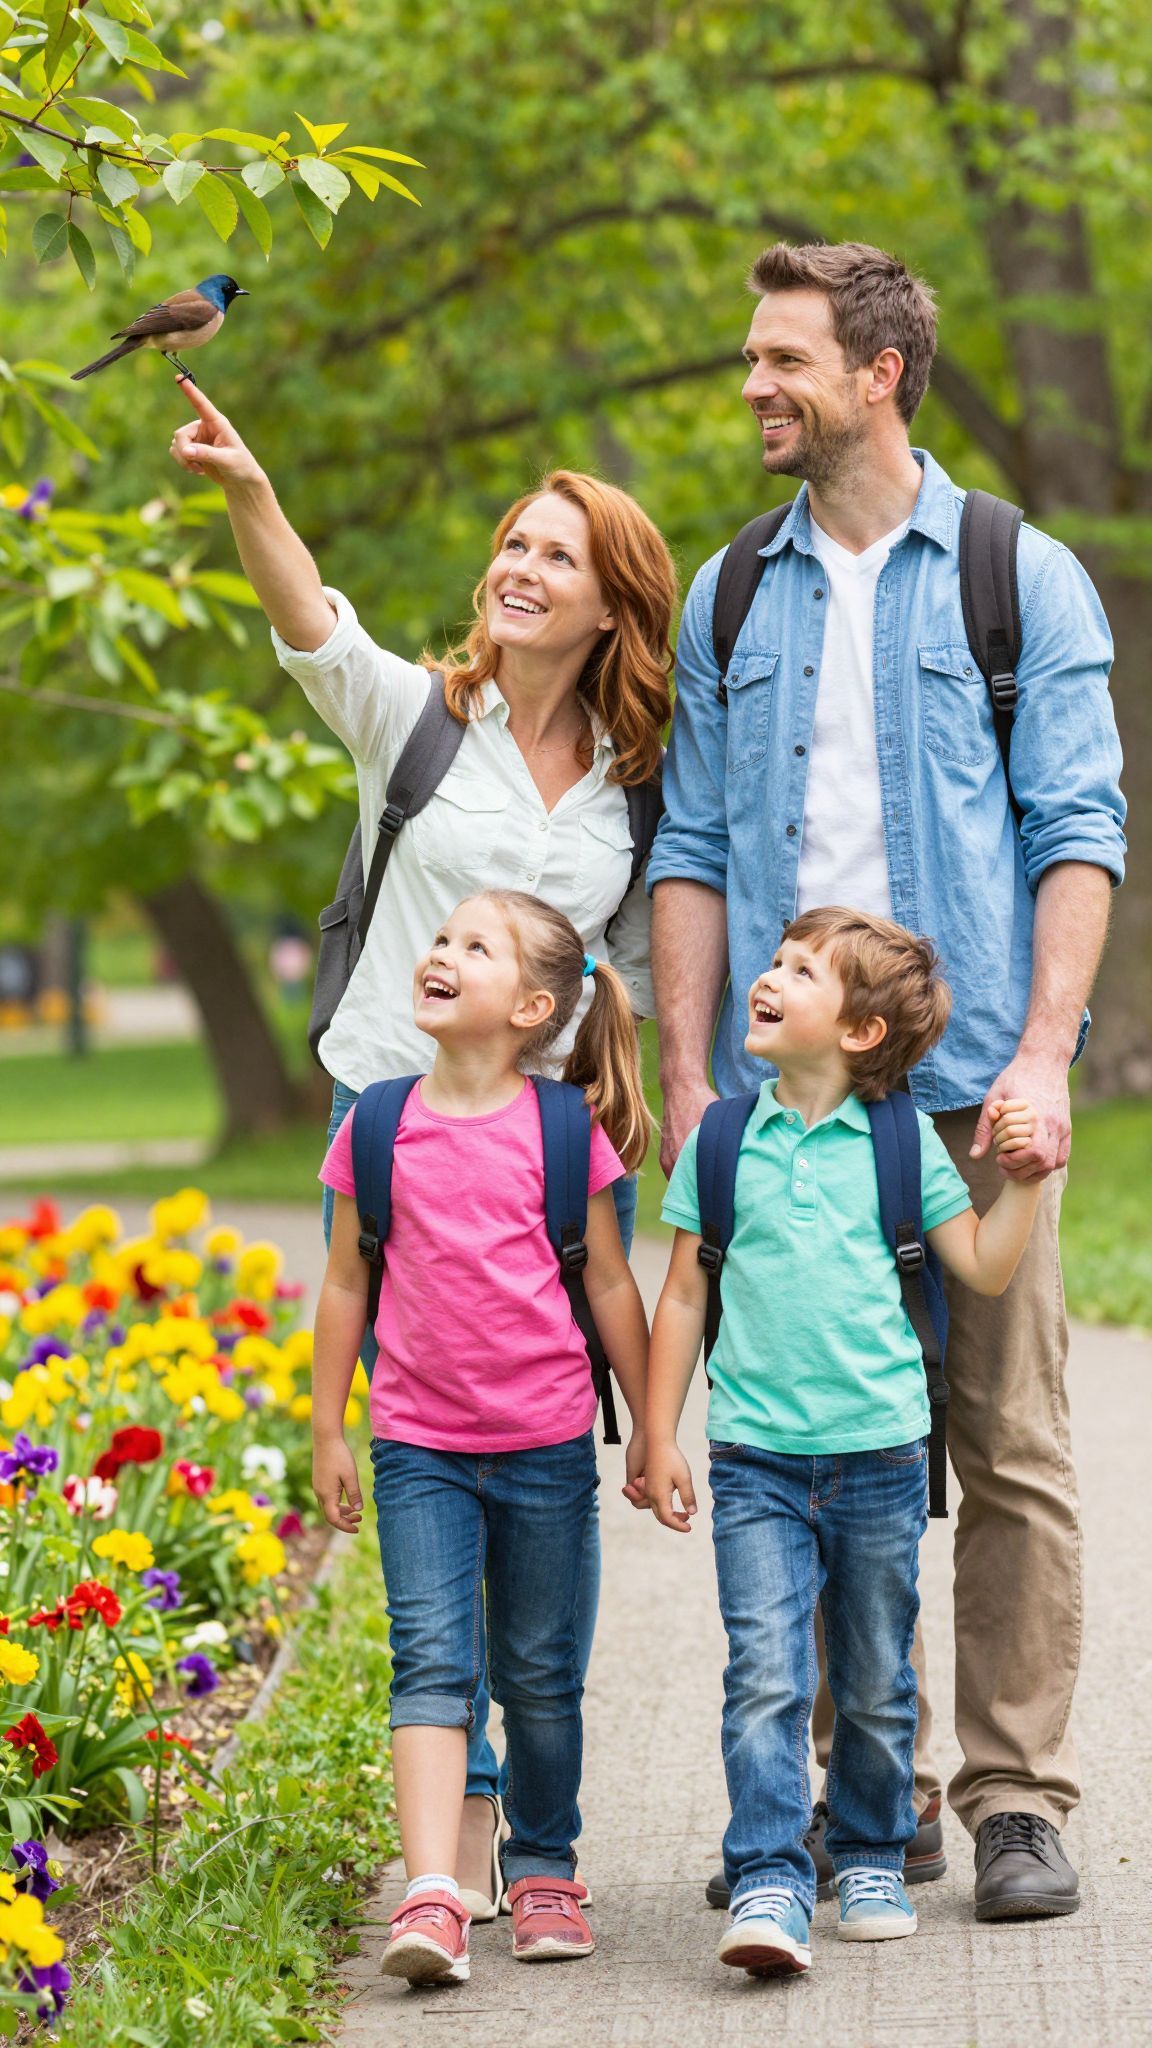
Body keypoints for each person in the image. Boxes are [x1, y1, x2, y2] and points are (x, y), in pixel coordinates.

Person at [647, 240, 1126, 1920]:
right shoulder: (729, 593)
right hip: (791, 1101)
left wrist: (1043, 1059)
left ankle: (1012, 1799)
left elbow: (1078, 828)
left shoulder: (1014, 573)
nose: (754, 386)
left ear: (877, 372)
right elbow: (692, 849)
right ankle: (872, 1798)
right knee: (817, 1436)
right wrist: (693, 1075)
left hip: (974, 1091)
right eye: (751, 358)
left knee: (1004, 1441)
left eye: (782, 358)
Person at [168, 386, 675, 1913]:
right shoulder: (418, 720)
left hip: (545, 1150)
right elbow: (313, 621)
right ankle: (455, 1822)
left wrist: (669, 1118)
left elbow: (643, 973)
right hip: (391, 1133)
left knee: (536, 1475)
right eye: (510, 543)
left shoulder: (633, 788)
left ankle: (540, 1830)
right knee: (426, 1473)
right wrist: (252, 486)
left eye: (555, 554)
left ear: (610, 605)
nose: (518, 566)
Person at [647, 908, 1050, 1976]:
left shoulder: (899, 1140)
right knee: (766, 1674)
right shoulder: (725, 1139)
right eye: (772, 963)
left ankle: (872, 1850)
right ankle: (773, 1873)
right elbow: (685, 1295)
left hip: (878, 1455)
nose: (765, 978)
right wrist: (655, 1428)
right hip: (755, 1461)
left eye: (799, 970)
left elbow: (983, 1267)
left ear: (862, 1031)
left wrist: (1025, 1180)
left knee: (873, 1677)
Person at [311, 889, 650, 1985]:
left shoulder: (562, 1129)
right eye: (442, 935)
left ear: (534, 1005)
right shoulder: (376, 1119)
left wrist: (653, 1428)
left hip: (548, 1443)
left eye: (475, 944)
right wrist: (328, 1426)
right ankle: (433, 1891)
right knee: (432, 1666)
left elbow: (608, 1280)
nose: (441, 951)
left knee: (541, 1674)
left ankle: (547, 1861)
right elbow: (342, 1284)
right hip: (417, 1447)